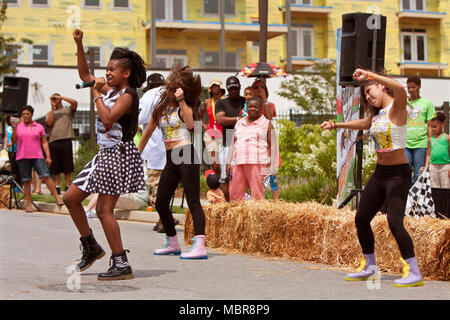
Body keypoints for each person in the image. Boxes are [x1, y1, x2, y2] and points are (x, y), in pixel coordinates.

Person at [321, 69, 423, 287]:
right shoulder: (377, 117)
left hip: (398, 175)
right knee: (361, 218)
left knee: (394, 221)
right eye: (365, 94)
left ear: (381, 86)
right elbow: (365, 124)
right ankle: (370, 266)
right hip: (380, 174)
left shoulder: (397, 107)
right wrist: (336, 125)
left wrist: (371, 75)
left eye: (370, 91)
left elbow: (400, 88)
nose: (368, 96)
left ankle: (414, 271)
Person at [64, 29, 146, 281]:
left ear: (126, 73)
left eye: (112, 69)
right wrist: (79, 44)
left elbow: (109, 119)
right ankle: (91, 247)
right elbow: (84, 74)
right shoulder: (110, 91)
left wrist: (97, 93)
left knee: (104, 210)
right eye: (106, 69)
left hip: (118, 154)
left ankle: (121, 262)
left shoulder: (129, 95)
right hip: (104, 155)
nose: (107, 73)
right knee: (70, 198)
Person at [138, 64, 207, 260]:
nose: (167, 91)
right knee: (160, 202)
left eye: (171, 89)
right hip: (170, 158)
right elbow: (148, 130)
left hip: (185, 153)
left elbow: (192, 125)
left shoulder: (183, 107)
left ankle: (200, 245)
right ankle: (172, 241)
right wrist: (137, 153)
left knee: (193, 201)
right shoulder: (161, 109)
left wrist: (182, 100)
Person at [138, 73, 178, 233]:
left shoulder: (148, 95)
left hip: (155, 150)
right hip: (175, 148)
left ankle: (164, 220)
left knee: (157, 187)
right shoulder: (173, 94)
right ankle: (164, 218)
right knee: (167, 186)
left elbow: (139, 118)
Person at [10, 106, 64, 212]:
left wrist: (48, 156)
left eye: (27, 114)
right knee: (27, 180)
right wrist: (15, 127)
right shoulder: (19, 127)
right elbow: (13, 140)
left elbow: (44, 142)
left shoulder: (38, 127)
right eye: (23, 114)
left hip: (37, 156)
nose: (25, 116)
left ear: (31, 114)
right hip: (22, 156)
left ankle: (57, 198)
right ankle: (29, 205)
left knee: (45, 176)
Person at [227, 97, 278, 201]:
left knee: (257, 193)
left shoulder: (267, 124)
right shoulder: (239, 123)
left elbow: (273, 145)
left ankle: (258, 214)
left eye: (256, 107)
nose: (253, 109)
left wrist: (272, 165)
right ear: (247, 108)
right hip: (238, 162)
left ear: (261, 108)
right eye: (250, 106)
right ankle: (238, 216)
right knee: (234, 193)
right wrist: (228, 162)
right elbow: (232, 144)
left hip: (257, 162)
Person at [215, 76, 246, 200]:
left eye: (235, 88)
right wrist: (238, 119)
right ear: (227, 89)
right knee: (225, 177)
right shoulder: (222, 102)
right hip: (228, 143)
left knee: (242, 176)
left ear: (239, 87)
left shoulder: (245, 101)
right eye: (231, 89)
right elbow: (220, 119)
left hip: (244, 143)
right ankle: (226, 205)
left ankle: (239, 203)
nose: (233, 91)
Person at [251, 79, 280, 201]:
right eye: (256, 87)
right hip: (255, 144)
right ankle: (259, 198)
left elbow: (269, 119)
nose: (259, 89)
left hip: (268, 144)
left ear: (265, 90)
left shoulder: (270, 105)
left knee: (271, 173)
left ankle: (275, 199)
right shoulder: (250, 106)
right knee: (256, 173)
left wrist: (264, 101)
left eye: (261, 87)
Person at [405, 76, 436, 184]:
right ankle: (405, 198)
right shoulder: (404, 103)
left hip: (421, 143)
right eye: (408, 87)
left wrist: (430, 140)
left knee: (418, 173)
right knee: (405, 171)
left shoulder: (427, 104)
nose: (411, 90)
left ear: (419, 87)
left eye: (413, 87)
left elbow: (430, 125)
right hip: (406, 143)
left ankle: (417, 199)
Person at [45, 93, 78, 194]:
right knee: (56, 165)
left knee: (67, 164)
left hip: (66, 139)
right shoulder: (50, 113)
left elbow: (74, 103)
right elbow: (49, 123)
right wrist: (52, 107)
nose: (55, 100)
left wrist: (61, 97)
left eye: (56, 98)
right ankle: (57, 185)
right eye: (53, 98)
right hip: (54, 141)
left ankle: (68, 185)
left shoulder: (67, 110)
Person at [201, 78, 225, 176]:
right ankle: (216, 185)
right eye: (212, 86)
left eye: (216, 86)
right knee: (214, 164)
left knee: (222, 162)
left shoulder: (226, 100)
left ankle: (223, 183)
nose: (215, 88)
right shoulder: (207, 102)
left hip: (223, 133)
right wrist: (204, 125)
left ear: (221, 87)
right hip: (211, 134)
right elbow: (199, 115)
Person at [424, 112, 450, 188]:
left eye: (435, 126)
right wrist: (426, 166)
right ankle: (436, 200)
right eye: (432, 127)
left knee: (446, 186)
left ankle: (445, 200)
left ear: (442, 124)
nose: (433, 129)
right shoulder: (430, 140)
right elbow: (428, 154)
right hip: (433, 166)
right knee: (434, 187)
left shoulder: (448, 138)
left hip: (445, 166)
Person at [4, 115, 21, 185]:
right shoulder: (8, 128)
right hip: (10, 150)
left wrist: (13, 142)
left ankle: (19, 184)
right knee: (13, 167)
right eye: (11, 119)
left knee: (19, 167)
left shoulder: (20, 127)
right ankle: (14, 185)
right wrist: (5, 145)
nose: (12, 120)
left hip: (18, 149)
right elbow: (6, 136)